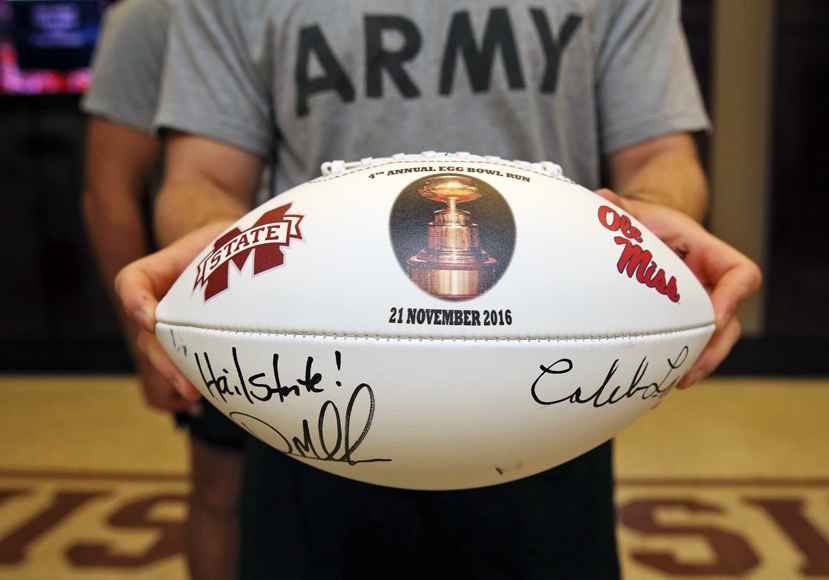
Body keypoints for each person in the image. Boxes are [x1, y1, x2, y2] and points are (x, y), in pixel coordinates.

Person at [117, 0, 762, 577]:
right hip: (312, 389)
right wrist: (209, 244)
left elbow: (658, 158)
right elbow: (202, 177)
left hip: (553, 386)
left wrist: (644, 220)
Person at [80, 1, 245, 578]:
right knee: (221, 489)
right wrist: (145, 337)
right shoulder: (149, 18)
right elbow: (109, 190)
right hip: (224, 295)